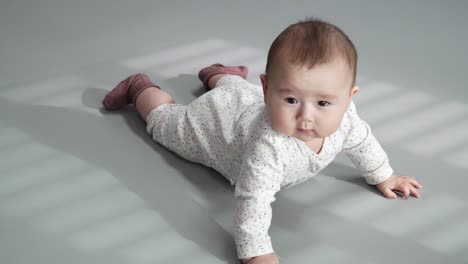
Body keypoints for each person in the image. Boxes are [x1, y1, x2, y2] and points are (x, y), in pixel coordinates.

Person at [102, 18, 423, 264]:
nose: (306, 117)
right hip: (216, 127)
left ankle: (221, 74)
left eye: (323, 103)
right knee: (167, 124)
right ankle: (140, 88)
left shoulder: (347, 120)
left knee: (237, 92)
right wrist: (256, 252)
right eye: (292, 100)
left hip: (246, 100)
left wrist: (385, 176)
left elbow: (363, 143)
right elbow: (252, 199)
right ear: (269, 88)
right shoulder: (269, 147)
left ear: (348, 97)